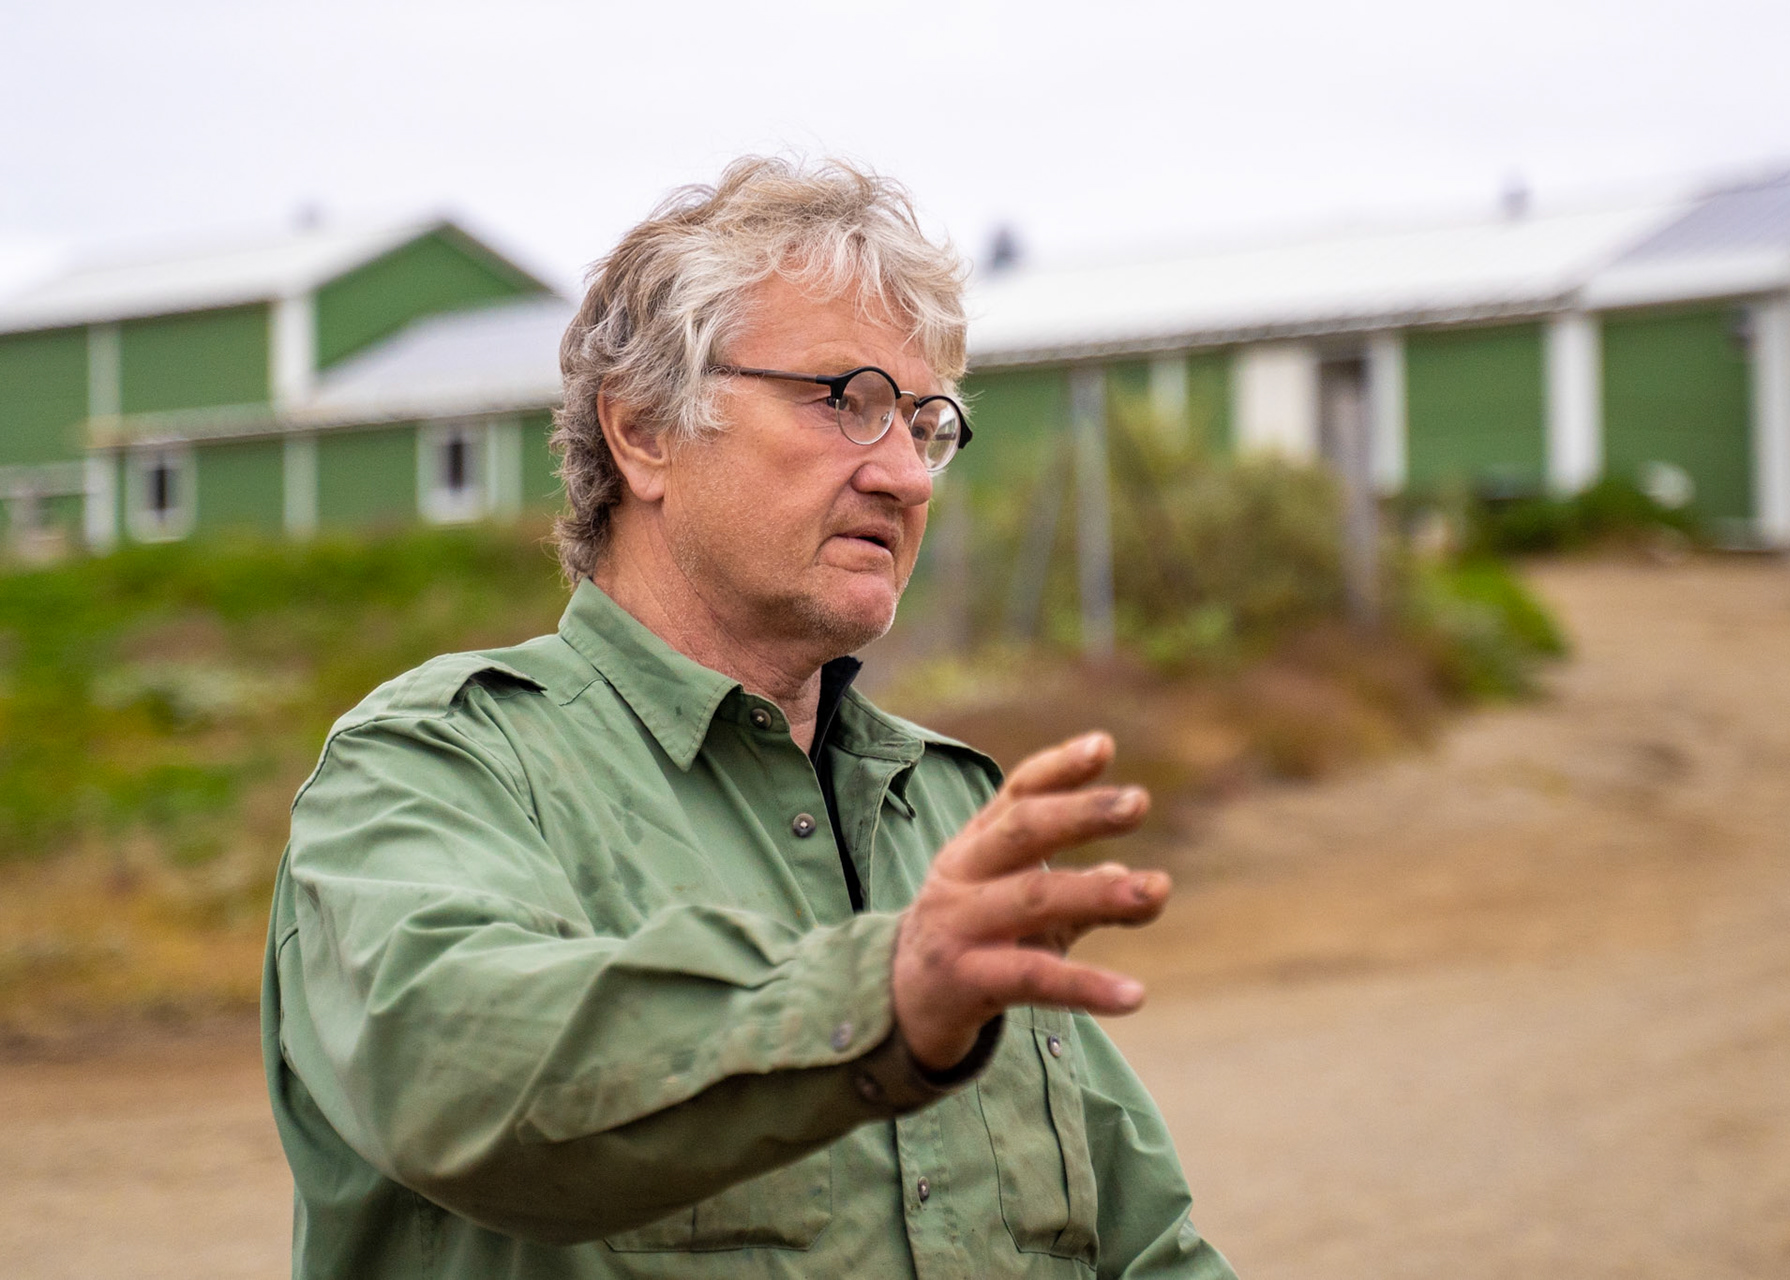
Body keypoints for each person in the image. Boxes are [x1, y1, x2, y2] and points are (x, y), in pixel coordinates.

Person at [263, 156, 1236, 1279]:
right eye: (846, 401)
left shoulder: (953, 812)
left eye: (925, 422)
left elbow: (1143, 1248)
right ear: (644, 431)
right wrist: (880, 998)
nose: (908, 476)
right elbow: (458, 1075)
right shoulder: (436, 766)